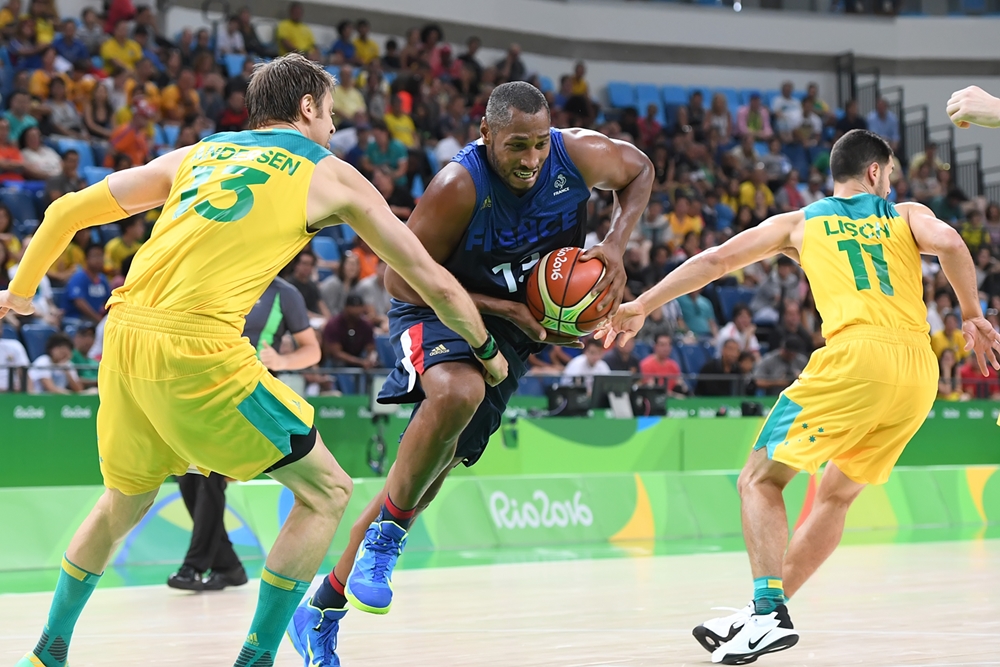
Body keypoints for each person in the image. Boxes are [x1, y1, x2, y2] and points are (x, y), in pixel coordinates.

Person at [1, 53, 507, 667]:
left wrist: (22, 291)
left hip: (124, 335)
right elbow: (430, 278)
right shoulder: (332, 174)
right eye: (330, 112)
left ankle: (47, 652)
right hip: (199, 347)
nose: (332, 125)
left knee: (123, 500)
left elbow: (63, 212)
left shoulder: (200, 152)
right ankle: (255, 660)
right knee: (327, 491)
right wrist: (486, 351)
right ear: (307, 108)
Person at [598, 129, 1000, 664]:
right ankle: (766, 609)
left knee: (759, 478)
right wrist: (972, 314)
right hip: (918, 372)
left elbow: (716, 261)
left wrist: (644, 304)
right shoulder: (905, 213)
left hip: (857, 359)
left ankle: (767, 615)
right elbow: (951, 243)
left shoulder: (801, 221)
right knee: (836, 494)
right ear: (876, 173)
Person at [288, 80, 652, 666]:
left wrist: (614, 243)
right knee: (458, 389)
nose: (531, 160)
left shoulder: (576, 154)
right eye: (516, 147)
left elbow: (639, 170)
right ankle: (386, 540)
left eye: (538, 145)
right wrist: (510, 308)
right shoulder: (459, 185)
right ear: (486, 135)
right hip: (434, 309)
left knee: (425, 475)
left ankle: (322, 606)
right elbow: (399, 281)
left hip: (510, 330)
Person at [168, 275, 320, 592]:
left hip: (250, 395)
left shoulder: (284, 293)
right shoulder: (222, 277)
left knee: (210, 476)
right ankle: (228, 566)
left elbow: (312, 350)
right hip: (205, 389)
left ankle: (194, 566)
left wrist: (282, 360)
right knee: (187, 476)